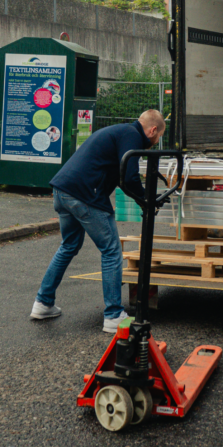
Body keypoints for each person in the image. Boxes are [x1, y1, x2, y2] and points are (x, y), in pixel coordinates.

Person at [30, 109, 166, 332]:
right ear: (152, 130)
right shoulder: (132, 135)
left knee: (69, 246)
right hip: (84, 195)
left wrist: (142, 199)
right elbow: (130, 177)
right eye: (158, 136)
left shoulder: (120, 132)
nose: (156, 140)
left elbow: (123, 178)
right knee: (111, 250)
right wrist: (148, 200)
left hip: (63, 191)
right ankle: (113, 315)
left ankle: (43, 303)